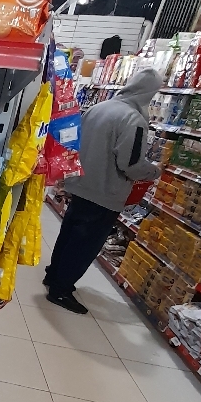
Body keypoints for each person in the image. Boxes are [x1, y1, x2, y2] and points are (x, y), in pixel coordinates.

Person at [44, 68, 162, 313]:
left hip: (81, 183)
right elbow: (131, 164)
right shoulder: (134, 120)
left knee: (69, 234)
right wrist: (153, 171)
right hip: (104, 191)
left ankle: (53, 275)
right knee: (85, 244)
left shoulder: (100, 108)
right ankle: (60, 290)